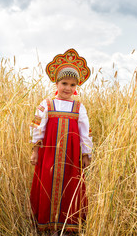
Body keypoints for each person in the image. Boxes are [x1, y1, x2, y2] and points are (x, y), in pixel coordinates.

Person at [30, 49, 93, 236]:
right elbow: (37, 129)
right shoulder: (47, 104)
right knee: (47, 184)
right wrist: (35, 151)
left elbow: (85, 133)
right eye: (64, 83)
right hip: (49, 153)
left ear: (76, 87)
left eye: (72, 85)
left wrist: (86, 154)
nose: (67, 88)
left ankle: (66, 227)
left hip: (71, 156)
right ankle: (48, 225)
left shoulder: (79, 107)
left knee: (69, 186)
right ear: (56, 83)